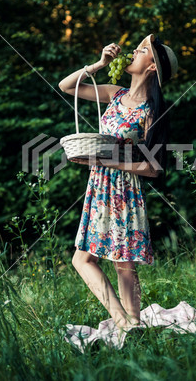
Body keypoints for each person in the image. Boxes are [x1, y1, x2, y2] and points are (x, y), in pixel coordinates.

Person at [58, 33, 178, 343]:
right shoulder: (114, 93)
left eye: (141, 51)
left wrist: (110, 162)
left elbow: (153, 167)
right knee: (82, 259)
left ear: (152, 67)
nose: (133, 52)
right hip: (99, 187)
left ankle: (132, 325)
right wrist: (99, 63)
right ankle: (124, 321)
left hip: (125, 187)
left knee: (124, 263)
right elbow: (66, 87)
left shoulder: (151, 112)